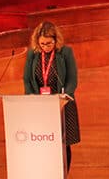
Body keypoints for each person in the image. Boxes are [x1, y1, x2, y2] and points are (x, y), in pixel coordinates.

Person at [22, 21, 80, 170]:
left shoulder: (65, 52)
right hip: (40, 105)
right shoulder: (32, 53)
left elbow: (72, 80)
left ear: (56, 40)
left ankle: (64, 176)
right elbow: (27, 79)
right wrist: (32, 99)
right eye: (42, 44)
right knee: (45, 141)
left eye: (49, 43)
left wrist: (65, 98)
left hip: (62, 104)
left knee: (64, 143)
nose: (46, 47)